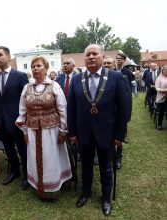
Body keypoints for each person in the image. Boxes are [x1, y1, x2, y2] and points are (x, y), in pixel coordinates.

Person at [67, 44, 128, 215]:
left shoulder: (115, 77)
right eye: (88, 54)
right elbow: (70, 107)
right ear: (84, 58)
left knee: (106, 167)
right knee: (85, 165)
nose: (91, 57)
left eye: (95, 54)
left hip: (106, 133)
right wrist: (72, 133)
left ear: (102, 56)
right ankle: (85, 192)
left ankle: (106, 197)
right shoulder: (76, 79)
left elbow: (123, 109)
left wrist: (119, 135)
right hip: (83, 132)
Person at [15, 56, 72, 200]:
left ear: (46, 68)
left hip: (51, 130)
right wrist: (25, 130)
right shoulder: (27, 87)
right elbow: (22, 110)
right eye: (33, 66)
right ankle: (39, 186)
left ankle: (55, 186)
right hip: (33, 130)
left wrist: (63, 130)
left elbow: (62, 109)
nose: (35, 69)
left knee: (51, 157)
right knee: (35, 158)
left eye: (38, 66)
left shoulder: (54, 85)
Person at [0, 46, 29, 189]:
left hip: (17, 121)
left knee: (22, 150)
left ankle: (27, 175)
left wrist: (23, 120)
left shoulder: (20, 76)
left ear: (8, 56)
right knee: (9, 149)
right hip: (1, 121)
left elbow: (26, 99)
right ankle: (15, 172)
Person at [155, 65, 167, 130]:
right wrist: (162, 90)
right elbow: (157, 88)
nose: (166, 70)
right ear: (162, 70)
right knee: (161, 112)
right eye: (165, 69)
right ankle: (159, 125)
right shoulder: (159, 78)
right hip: (161, 97)